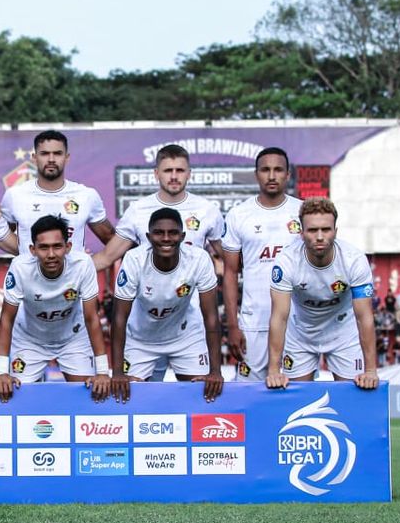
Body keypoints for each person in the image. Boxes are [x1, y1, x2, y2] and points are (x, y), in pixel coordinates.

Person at [108, 208, 224, 401]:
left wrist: (215, 371)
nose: (166, 238)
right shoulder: (134, 260)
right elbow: (119, 318)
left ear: (183, 236)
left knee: (203, 393)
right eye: (159, 233)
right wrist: (117, 372)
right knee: (128, 396)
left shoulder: (199, 259)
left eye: (173, 233)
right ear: (148, 237)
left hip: (185, 336)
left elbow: (211, 317)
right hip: (140, 339)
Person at [0, 216, 111, 401]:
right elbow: (7, 319)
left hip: (73, 339)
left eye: (57, 246)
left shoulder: (83, 264)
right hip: (29, 340)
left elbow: (91, 318)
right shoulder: (20, 267)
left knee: (87, 396)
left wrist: (103, 371)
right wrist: (1, 372)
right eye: (43, 247)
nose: (51, 254)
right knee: (17, 398)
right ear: (32, 250)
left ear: (68, 247)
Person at [266, 198, 379, 390]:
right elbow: (279, 317)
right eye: (312, 230)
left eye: (326, 229)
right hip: (301, 335)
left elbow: (364, 317)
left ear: (336, 231)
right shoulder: (286, 262)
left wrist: (370, 370)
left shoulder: (354, 261)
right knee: (298, 398)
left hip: (343, 334)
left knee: (352, 397)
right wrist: (274, 370)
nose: (319, 236)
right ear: (301, 233)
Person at [219, 147, 303, 381]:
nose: (272, 176)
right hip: (253, 323)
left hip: (296, 322)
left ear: (288, 174)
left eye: (278, 170)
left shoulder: (302, 212)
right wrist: (232, 326)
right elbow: (230, 273)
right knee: (250, 393)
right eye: (265, 170)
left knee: (297, 391)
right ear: (256, 174)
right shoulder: (238, 214)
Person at [91, 144, 225, 271]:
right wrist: (77, 269)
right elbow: (106, 258)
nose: (174, 176)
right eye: (168, 170)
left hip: (192, 288)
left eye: (180, 170)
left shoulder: (208, 210)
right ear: (156, 174)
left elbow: (230, 259)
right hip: (149, 288)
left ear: (189, 174)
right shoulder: (137, 210)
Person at [0, 130, 115, 253]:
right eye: (44, 154)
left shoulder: (86, 195)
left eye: (57, 153)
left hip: (74, 267)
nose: (51, 159)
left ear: (66, 158)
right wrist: (26, 255)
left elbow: (111, 239)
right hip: (26, 267)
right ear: (34, 158)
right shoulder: (15, 195)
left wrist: (91, 262)